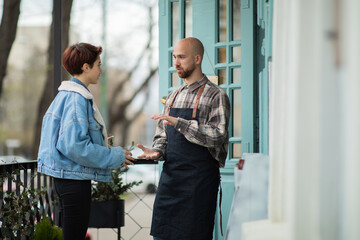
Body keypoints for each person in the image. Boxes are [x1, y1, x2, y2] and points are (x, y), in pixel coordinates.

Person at [37, 43, 134, 240]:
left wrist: (99, 142)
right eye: (98, 64)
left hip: (69, 178)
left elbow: (69, 138)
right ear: (85, 67)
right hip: (73, 180)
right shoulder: (76, 98)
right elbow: (74, 146)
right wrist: (115, 155)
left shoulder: (69, 95)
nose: (101, 70)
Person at [137, 37, 231, 240]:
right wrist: (157, 151)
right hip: (170, 184)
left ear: (197, 59)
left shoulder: (216, 95)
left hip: (198, 186)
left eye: (181, 57)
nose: (176, 63)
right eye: (174, 57)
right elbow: (162, 135)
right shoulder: (172, 96)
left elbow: (218, 135)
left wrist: (181, 123)